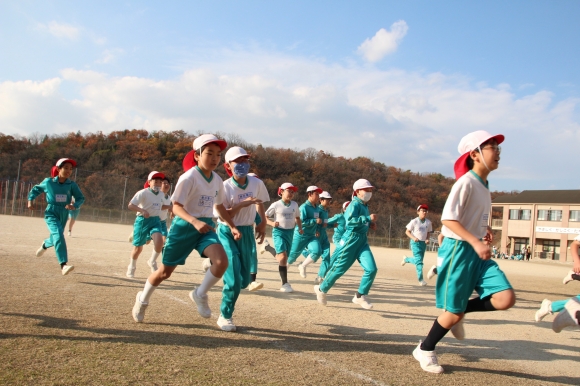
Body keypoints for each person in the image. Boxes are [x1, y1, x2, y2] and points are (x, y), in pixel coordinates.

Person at [413, 130, 516, 374]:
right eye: (492, 147)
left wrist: (485, 229)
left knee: (505, 298)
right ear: (475, 155)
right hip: (459, 250)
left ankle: (458, 310)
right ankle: (425, 349)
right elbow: (449, 219)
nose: (498, 152)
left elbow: (472, 216)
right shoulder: (466, 182)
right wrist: (476, 241)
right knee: (453, 314)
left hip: (476, 249)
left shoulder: (484, 184)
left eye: (498, 147)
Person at [132, 134, 240, 324]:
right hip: (184, 228)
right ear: (197, 155)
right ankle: (142, 299)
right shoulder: (189, 177)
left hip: (205, 227)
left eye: (218, 154)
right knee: (165, 272)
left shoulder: (216, 180)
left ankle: (200, 294)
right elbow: (175, 206)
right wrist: (194, 221)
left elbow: (220, 206)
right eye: (209, 153)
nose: (214, 158)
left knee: (221, 261)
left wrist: (232, 226)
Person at [216, 146, 270, 331]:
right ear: (228, 166)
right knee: (234, 280)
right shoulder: (224, 187)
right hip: (227, 231)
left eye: (245, 160)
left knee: (245, 280)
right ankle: (225, 315)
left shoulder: (256, 183)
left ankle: (221, 269)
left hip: (246, 232)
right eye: (237, 161)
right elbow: (224, 214)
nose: (242, 164)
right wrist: (242, 205)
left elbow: (260, 202)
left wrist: (262, 222)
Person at [314, 179, 378, 310]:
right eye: (367, 190)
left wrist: (370, 225)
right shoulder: (354, 204)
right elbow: (350, 222)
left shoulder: (365, 206)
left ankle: (359, 296)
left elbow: (361, 222)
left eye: (370, 190)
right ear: (358, 191)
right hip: (351, 240)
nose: (369, 192)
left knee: (372, 269)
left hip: (362, 241)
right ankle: (321, 289)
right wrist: (367, 219)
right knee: (339, 269)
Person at [28, 158, 85, 275]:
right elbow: (36, 189)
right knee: (58, 235)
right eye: (66, 168)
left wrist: (74, 205)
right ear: (58, 169)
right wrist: (30, 200)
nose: (69, 171)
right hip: (51, 212)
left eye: (71, 169)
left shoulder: (72, 185)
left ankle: (45, 244)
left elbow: (80, 198)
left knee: (56, 237)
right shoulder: (48, 182)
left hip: (64, 212)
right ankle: (63, 265)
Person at [126, 171, 171, 278]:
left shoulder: (161, 194)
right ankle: (131, 267)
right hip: (142, 221)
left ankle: (152, 261)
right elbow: (131, 205)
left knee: (160, 242)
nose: (158, 184)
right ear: (149, 182)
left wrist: (171, 209)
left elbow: (161, 207)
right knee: (138, 248)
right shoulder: (143, 193)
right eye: (155, 181)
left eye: (160, 182)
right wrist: (142, 210)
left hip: (155, 221)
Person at [264, 183, 303, 292]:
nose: (291, 193)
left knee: (283, 258)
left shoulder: (295, 205)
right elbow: (265, 217)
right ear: (281, 191)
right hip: (279, 232)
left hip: (290, 233)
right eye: (288, 190)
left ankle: (268, 248)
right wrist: (272, 224)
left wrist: (300, 228)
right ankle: (285, 284)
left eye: (292, 191)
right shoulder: (276, 205)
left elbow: (298, 218)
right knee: (283, 257)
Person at [288, 186, 323, 276]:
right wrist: (314, 221)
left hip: (311, 236)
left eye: (318, 194)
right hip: (301, 235)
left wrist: (317, 229)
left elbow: (318, 221)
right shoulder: (304, 207)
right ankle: (283, 273)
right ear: (309, 194)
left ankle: (302, 266)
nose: (318, 196)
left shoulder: (317, 208)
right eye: (316, 194)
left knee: (317, 251)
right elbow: (301, 222)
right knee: (292, 256)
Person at [300, 191, 332, 282]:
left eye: (330, 200)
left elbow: (324, 223)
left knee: (326, 256)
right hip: (317, 235)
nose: (329, 202)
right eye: (327, 200)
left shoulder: (326, 211)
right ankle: (303, 253)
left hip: (324, 236)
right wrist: (316, 230)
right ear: (321, 200)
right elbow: (315, 221)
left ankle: (320, 277)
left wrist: (332, 225)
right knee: (315, 254)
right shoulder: (318, 210)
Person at [401, 204, 433, 286]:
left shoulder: (428, 222)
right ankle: (421, 280)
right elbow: (407, 231)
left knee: (419, 261)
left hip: (423, 244)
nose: (424, 212)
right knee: (419, 262)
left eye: (426, 211)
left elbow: (428, 232)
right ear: (418, 212)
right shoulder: (414, 221)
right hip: (415, 243)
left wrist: (427, 239)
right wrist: (413, 238)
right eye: (422, 210)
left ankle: (406, 259)